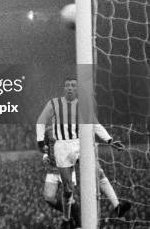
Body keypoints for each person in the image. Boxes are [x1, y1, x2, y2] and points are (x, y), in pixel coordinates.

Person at [36, 78, 131, 228]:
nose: (70, 88)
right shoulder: (53, 106)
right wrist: (41, 143)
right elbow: (41, 122)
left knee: (97, 172)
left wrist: (109, 140)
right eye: (67, 85)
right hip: (62, 150)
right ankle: (67, 219)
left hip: (79, 145)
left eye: (73, 86)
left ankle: (117, 205)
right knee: (67, 190)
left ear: (77, 89)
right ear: (63, 88)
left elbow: (94, 123)